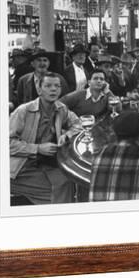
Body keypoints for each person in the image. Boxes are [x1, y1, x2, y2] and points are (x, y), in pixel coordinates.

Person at [9, 72, 82, 205]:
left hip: (45, 163)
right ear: (39, 89)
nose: (53, 89)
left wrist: (67, 135)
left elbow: (78, 124)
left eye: (57, 86)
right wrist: (37, 148)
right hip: (20, 167)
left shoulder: (61, 108)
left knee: (69, 180)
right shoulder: (23, 111)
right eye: (48, 86)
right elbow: (5, 143)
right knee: (57, 192)